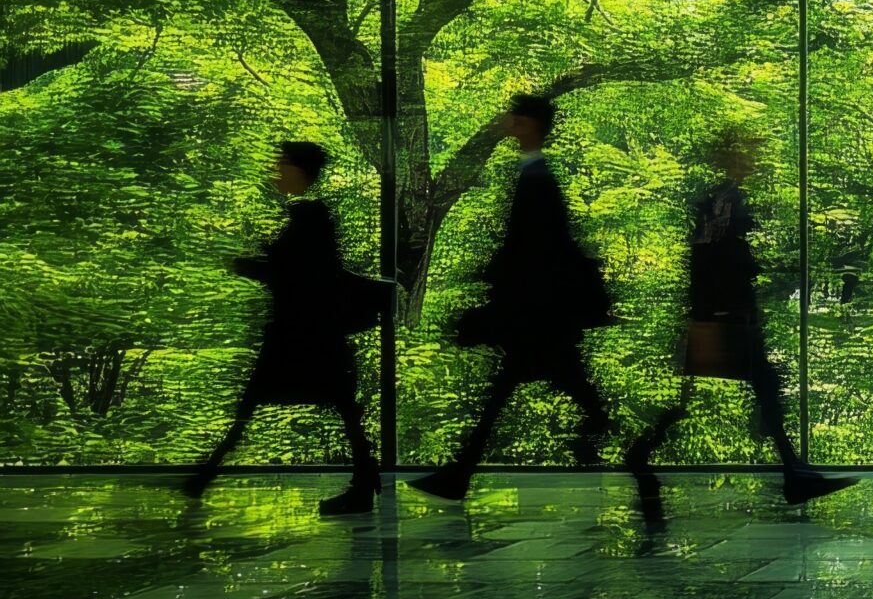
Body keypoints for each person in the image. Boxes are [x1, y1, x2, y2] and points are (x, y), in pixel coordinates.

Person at [410, 93, 654, 507]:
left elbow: (535, 249)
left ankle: (640, 469)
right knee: (544, 395)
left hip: (538, 317)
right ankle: (459, 476)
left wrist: (497, 283)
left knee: (530, 395)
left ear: (527, 125)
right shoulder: (536, 175)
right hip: (543, 316)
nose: (506, 120)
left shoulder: (536, 179)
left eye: (514, 116)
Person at [624, 129, 859, 520]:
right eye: (746, 153)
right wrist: (714, 315)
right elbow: (713, 262)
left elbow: (711, 259)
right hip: (724, 317)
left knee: (754, 389)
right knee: (762, 388)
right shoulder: (724, 202)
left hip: (723, 314)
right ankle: (792, 474)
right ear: (730, 158)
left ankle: (792, 472)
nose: (752, 160)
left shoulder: (723, 200)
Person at [182, 141, 385, 515]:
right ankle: (365, 480)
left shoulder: (309, 215)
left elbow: (292, 273)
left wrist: (243, 264)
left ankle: (203, 478)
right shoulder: (310, 215)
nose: (276, 169)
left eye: (282, 163)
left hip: (300, 335)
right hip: (314, 333)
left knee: (257, 402)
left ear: (299, 171)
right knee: (340, 406)